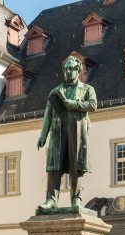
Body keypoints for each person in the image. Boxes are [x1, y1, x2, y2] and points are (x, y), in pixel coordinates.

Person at [36, 55, 97, 210]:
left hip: (77, 130)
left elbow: (92, 105)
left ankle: (76, 199)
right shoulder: (56, 92)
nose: (69, 72)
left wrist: (73, 104)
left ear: (78, 71)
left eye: (72, 69)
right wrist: (43, 135)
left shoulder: (87, 89)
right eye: (67, 69)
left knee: (77, 165)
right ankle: (51, 200)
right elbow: (48, 114)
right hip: (58, 131)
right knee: (53, 165)